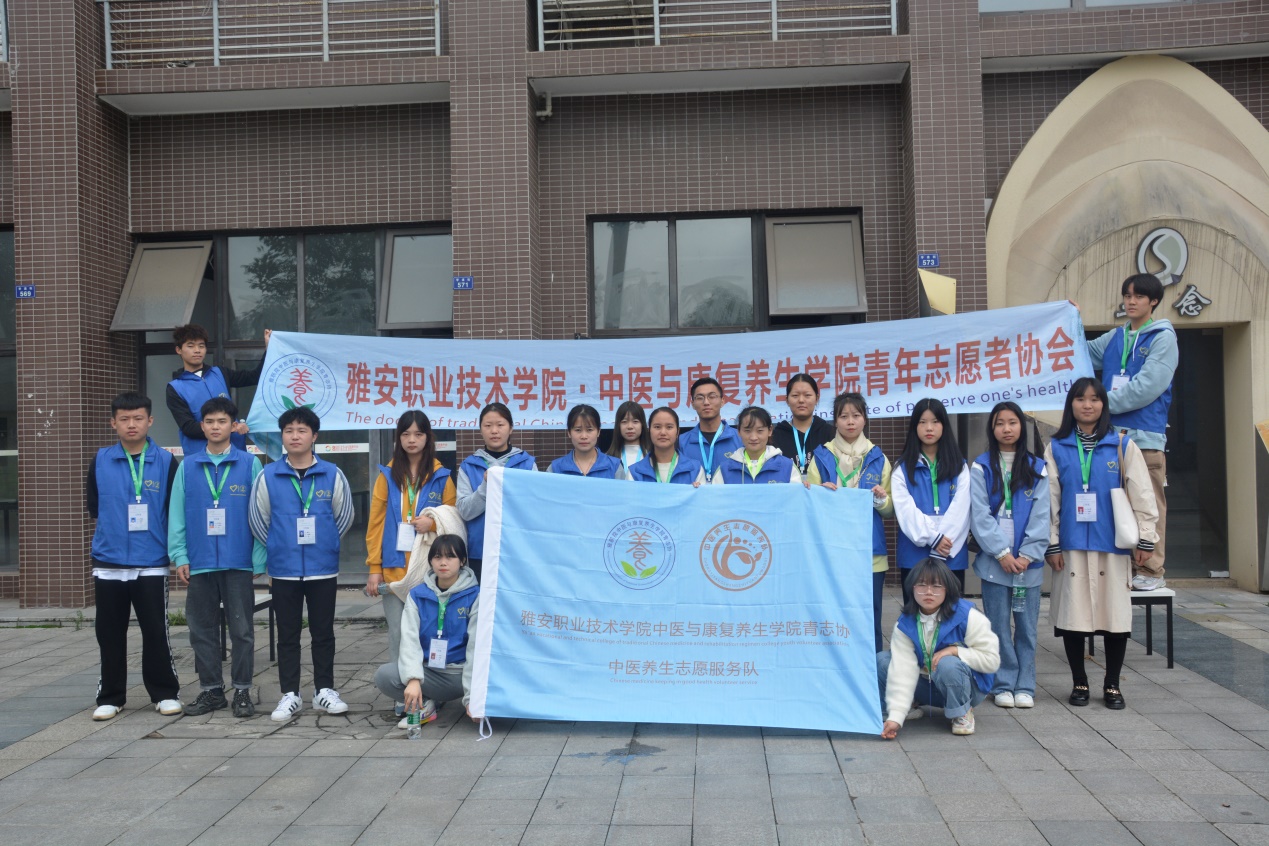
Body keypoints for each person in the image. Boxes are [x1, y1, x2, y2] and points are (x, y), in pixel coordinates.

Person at [1044, 377, 1158, 710]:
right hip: (1072, 546)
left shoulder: (1122, 445)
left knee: (1114, 616)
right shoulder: (1057, 447)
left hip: (1112, 544)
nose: (1088, 405)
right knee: (1073, 616)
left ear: (1104, 405)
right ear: (1071, 405)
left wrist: (1146, 538)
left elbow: (1142, 494)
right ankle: (1079, 681)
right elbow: (1050, 501)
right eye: (1081, 399)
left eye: (1095, 399)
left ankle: (1112, 684)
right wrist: (1052, 543)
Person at [249, 406, 355, 722]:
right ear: (282, 436)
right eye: (289, 431)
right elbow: (258, 520)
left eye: (302, 430)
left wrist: (325, 542)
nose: (295, 436)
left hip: (323, 569)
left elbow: (344, 517)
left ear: (314, 436)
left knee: (323, 632)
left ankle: (324, 690)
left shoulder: (333, 474)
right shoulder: (267, 476)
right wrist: (280, 545)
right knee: (287, 635)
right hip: (284, 569)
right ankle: (290, 694)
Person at [169, 397, 267, 718]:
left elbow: (260, 514)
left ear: (233, 426)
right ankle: (211, 690)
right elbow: (177, 515)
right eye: (209, 422)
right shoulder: (187, 467)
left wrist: (258, 557)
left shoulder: (249, 464)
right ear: (202, 426)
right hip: (199, 563)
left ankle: (242, 690)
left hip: (238, 561)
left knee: (242, 631)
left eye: (222, 421)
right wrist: (180, 555)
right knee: (201, 630)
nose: (215, 427)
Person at [87, 392, 182, 721]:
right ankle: (111, 696)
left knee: (156, 631)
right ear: (113, 423)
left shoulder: (166, 462)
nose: (132, 424)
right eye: (124, 419)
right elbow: (94, 507)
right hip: (109, 562)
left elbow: (174, 510)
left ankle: (165, 693)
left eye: (138, 418)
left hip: (151, 562)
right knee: (109, 633)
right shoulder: (100, 460)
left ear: (150, 421)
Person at [1084, 274, 1177, 591]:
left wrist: (1099, 405)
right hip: (1110, 439)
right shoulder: (1115, 336)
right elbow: (1078, 352)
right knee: (1111, 505)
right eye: (1127, 296)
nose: (1131, 301)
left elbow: (1147, 387)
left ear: (1154, 301)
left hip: (1145, 439)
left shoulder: (1163, 338)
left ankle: (1151, 571)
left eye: (1138, 296)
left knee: (1148, 505)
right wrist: (1070, 320)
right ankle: (1120, 568)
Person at [364, 410, 457, 701]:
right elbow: (375, 524)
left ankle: (429, 693)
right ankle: (403, 696)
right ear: (398, 439)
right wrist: (374, 567)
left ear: (428, 437)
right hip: (394, 572)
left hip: (429, 574)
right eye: (405, 434)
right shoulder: (387, 476)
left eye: (418, 434)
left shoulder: (442, 477)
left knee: (428, 634)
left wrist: (434, 523)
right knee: (398, 635)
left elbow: (453, 521)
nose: (412, 440)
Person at [969, 401, 1049, 710]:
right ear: (992, 428)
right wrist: (1002, 553)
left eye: (1012, 422)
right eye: (999, 423)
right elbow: (979, 515)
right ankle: (1003, 683)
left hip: (1028, 566)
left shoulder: (1037, 467)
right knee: (998, 626)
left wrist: (1027, 555)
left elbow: (1042, 515)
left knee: (1027, 628)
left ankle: (1025, 684)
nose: (1006, 428)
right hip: (995, 564)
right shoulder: (981, 467)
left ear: (1021, 427)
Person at [805, 392, 894, 652]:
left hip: (870, 554)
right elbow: (809, 505)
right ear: (835, 421)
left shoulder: (878, 457)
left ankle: (872, 670)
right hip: (831, 552)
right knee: (832, 617)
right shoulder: (821, 456)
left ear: (865, 419)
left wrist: (881, 500)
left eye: (856, 415)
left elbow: (890, 511)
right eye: (844, 416)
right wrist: (821, 495)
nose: (850, 421)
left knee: (870, 616)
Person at [878, 558, 1000, 738]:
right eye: (922, 585)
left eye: (936, 586)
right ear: (912, 588)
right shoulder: (904, 624)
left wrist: (956, 651)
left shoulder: (969, 616)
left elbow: (992, 661)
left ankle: (962, 712)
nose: (929, 592)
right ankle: (905, 707)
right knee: (883, 660)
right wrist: (896, 717)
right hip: (926, 686)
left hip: (966, 688)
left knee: (947, 663)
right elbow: (901, 670)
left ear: (947, 589)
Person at [373, 534, 480, 729]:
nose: (443, 563)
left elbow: (476, 647)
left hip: (460, 673)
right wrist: (413, 679)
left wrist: (473, 698)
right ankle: (426, 704)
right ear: (430, 561)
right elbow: (409, 640)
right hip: (429, 671)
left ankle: (448, 699)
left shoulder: (475, 595)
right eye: (437, 557)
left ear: (462, 561)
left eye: (450, 557)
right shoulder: (417, 595)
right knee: (384, 675)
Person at [891, 398, 971, 605]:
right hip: (914, 555)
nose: (929, 428)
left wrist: (942, 542)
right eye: (922, 422)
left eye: (935, 421)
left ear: (944, 425)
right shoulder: (902, 468)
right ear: (914, 426)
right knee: (915, 614)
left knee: (951, 614)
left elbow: (962, 509)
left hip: (951, 554)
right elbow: (905, 510)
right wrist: (933, 538)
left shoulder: (959, 466)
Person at [457, 403, 538, 581]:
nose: (494, 431)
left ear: (511, 428)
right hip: (479, 552)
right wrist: (486, 486)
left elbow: (534, 509)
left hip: (518, 551)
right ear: (480, 430)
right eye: (488, 425)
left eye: (500, 425)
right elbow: (464, 511)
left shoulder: (527, 464)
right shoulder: (468, 466)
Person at [166, 323, 271, 456]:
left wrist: (269, 349)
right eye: (191, 346)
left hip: (235, 453)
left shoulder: (220, 373)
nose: (197, 350)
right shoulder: (175, 387)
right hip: (201, 458)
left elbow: (254, 377)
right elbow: (188, 427)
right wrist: (230, 428)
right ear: (179, 350)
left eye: (201, 346)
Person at [711, 406, 801, 484]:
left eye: (760, 431)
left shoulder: (788, 467)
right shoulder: (724, 469)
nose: (753, 437)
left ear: (770, 430)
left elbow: (797, 496)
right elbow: (715, 497)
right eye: (747, 431)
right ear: (739, 431)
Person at [678, 377, 742, 480]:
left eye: (712, 396)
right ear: (693, 404)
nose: (706, 402)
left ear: (722, 401)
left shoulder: (740, 438)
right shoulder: (681, 442)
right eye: (700, 398)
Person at [771, 373, 834, 477]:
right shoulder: (776, 436)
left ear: (817, 398)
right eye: (795, 395)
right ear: (787, 400)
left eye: (807, 395)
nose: (801, 400)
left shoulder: (830, 433)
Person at [627, 407, 706, 485]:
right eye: (657, 427)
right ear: (649, 431)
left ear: (677, 432)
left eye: (669, 427)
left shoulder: (695, 469)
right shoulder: (635, 473)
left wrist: (697, 490)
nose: (663, 432)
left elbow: (701, 493)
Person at [550, 405, 621, 478]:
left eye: (589, 430)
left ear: (598, 432)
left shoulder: (615, 467)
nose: (584, 436)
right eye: (578, 430)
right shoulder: (555, 469)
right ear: (569, 433)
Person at [607, 400, 651, 480]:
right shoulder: (608, 458)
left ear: (642, 425)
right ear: (618, 425)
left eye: (635, 421)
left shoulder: (651, 456)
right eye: (624, 422)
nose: (630, 426)